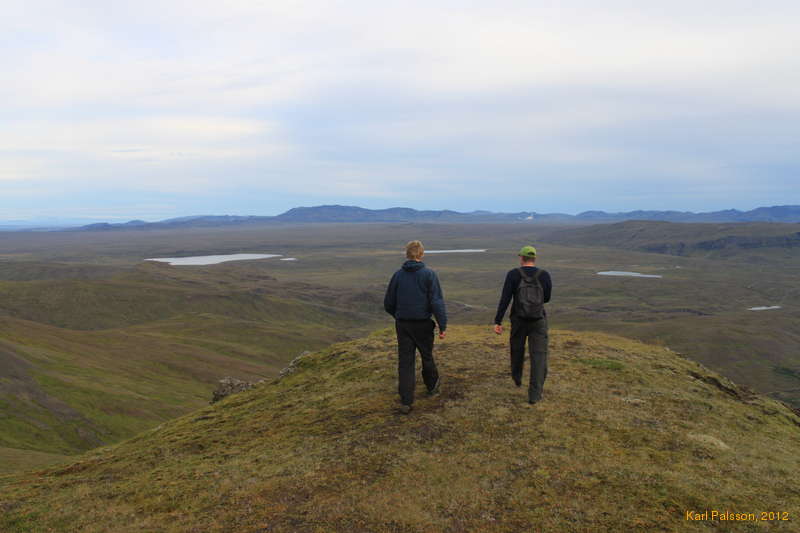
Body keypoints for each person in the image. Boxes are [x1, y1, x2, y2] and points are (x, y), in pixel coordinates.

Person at [384, 240, 447, 414]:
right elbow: (436, 301)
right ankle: (432, 386)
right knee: (426, 356)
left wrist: (399, 316)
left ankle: (406, 400)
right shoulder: (429, 274)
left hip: (403, 324)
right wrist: (442, 325)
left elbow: (388, 303)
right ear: (421, 254)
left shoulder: (398, 275)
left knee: (405, 361)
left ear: (407, 254)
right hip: (423, 324)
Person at [493, 245, 553, 404]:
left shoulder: (513, 274)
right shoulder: (544, 275)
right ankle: (534, 395)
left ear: (521, 258)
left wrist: (498, 321)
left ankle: (517, 377)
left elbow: (505, 298)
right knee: (539, 356)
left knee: (517, 349)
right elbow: (546, 298)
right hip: (538, 320)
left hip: (518, 320)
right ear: (534, 258)